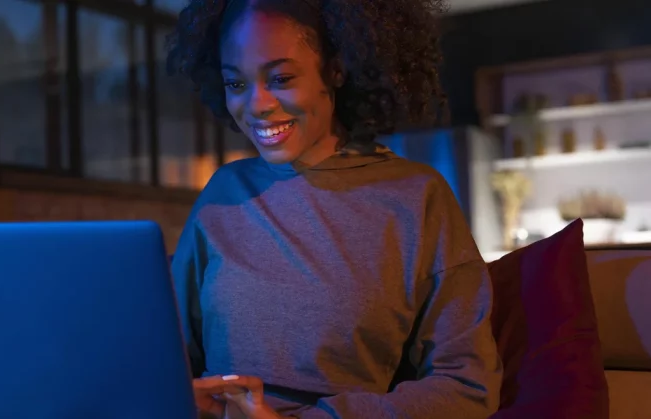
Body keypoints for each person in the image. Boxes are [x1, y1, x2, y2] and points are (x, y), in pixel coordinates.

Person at [166, 0, 503, 418]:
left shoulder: (417, 198)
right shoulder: (223, 194)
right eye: (236, 84)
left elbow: (467, 385)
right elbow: (166, 357)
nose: (256, 105)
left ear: (337, 69)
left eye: (281, 78)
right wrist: (184, 396)